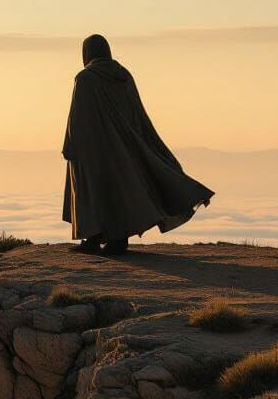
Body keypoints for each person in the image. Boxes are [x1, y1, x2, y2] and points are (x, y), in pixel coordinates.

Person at [62, 34, 214, 255]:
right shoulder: (123, 75)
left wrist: (70, 144)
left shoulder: (86, 78)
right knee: (121, 191)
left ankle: (93, 238)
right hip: (124, 147)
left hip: (92, 147)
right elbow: (135, 112)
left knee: (93, 191)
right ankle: (118, 240)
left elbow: (78, 116)